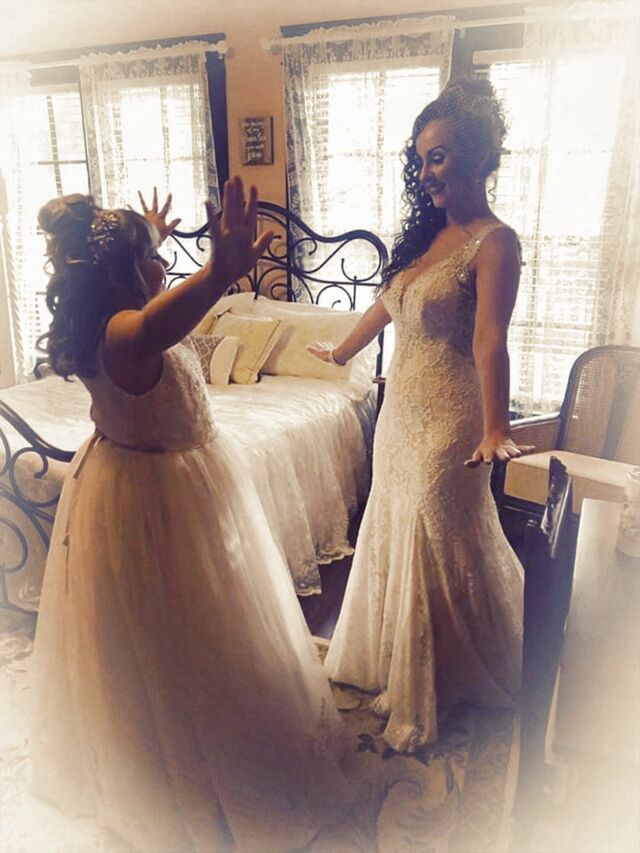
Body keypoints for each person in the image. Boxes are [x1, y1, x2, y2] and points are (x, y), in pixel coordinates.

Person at [30, 180, 364, 852]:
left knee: (169, 627)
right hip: (154, 493)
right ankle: (183, 762)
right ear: (120, 275)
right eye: (149, 259)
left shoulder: (115, 312)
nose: (161, 265)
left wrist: (150, 235)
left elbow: (151, 297)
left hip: (138, 474)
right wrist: (218, 272)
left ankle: (178, 730)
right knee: (178, 627)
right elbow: (159, 322)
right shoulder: (125, 332)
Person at [308, 77, 531, 754]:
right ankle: (392, 663)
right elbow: (388, 304)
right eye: (421, 158)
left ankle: (446, 677)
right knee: (395, 527)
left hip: (451, 418)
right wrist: (341, 349)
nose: (426, 170)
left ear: (478, 156)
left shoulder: (495, 243)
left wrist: (496, 427)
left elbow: (490, 339)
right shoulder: (427, 237)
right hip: (399, 413)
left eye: (439, 156)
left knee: (439, 528)